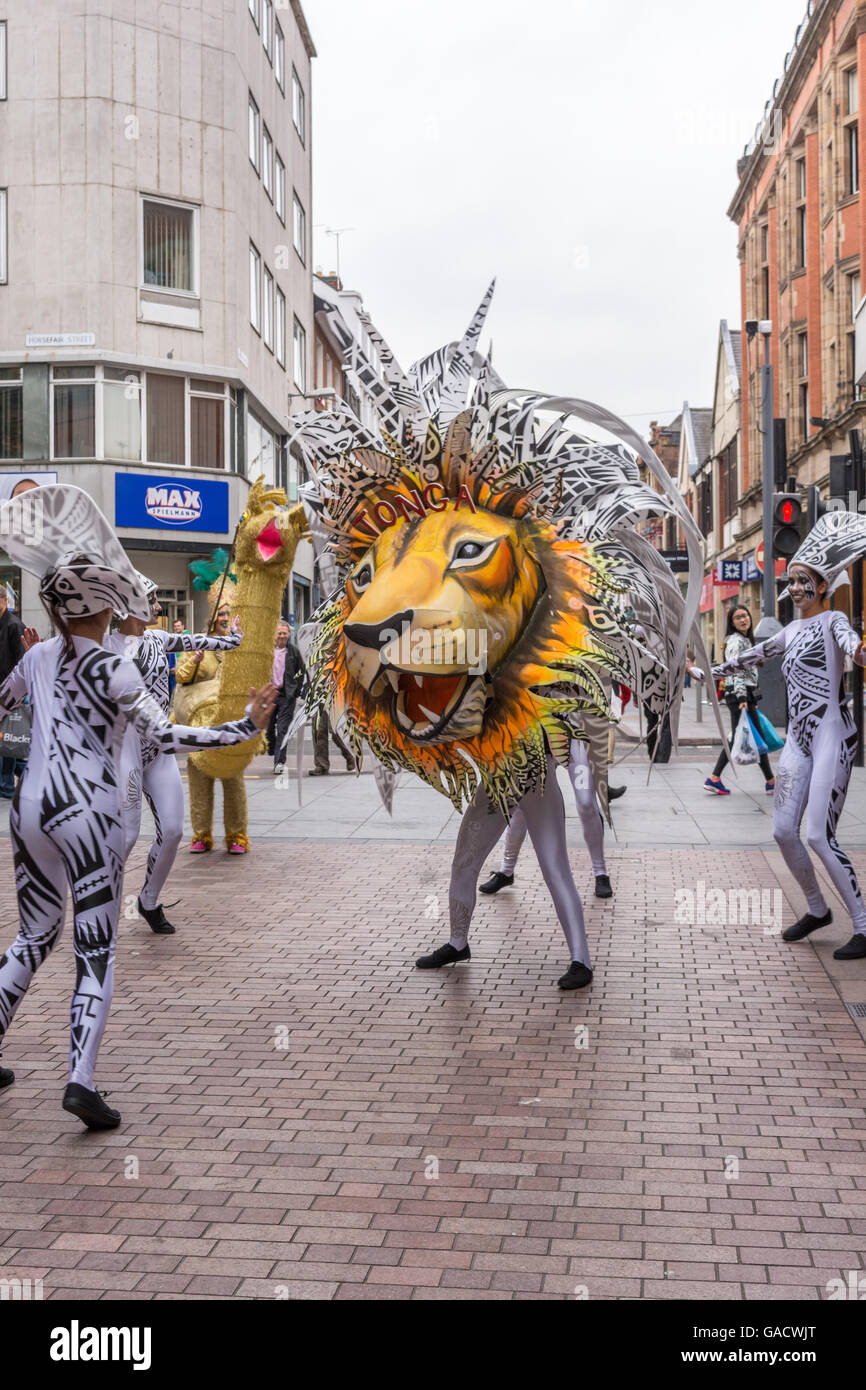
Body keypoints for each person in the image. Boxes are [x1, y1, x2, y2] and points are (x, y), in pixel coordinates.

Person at [0, 489, 276, 1128]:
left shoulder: (38, 656)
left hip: (30, 810)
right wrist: (242, 726)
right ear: (102, 608)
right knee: (95, 948)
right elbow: (169, 736)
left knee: (33, 935)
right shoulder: (114, 671)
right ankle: (80, 1081)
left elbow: (2, 707)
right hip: (89, 816)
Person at [708, 522, 866, 962]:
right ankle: (817, 909)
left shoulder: (834, 620)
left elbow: (854, 649)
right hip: (798, 739)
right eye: (792, 581)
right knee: (782, 831)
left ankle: (863, 924)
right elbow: (745, 660)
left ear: (822, 585)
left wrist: (860, 649)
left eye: (804, 581)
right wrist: (702, 671)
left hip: (833, 733)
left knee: (818, 834)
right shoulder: (789, 633)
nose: (795, 587)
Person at [107, 576, 243, 935]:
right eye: (150, 599)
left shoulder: (158, 638)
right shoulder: (105, 647)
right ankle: (98, 904)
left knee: (171, 830)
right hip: (126, 750)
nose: (157, 607)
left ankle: (148, 901)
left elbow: (196, 639)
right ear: (128, 605)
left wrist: (232, 641)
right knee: (127, 834)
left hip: (160, 747)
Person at [479, 739, 613, 899]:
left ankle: (601, 872)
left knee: (586, 804)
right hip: (536, 736)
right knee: (521, 804)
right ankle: (506, 870)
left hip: (570, 735)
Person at [704, 605, 775, 796]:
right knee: (755, 738)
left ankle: (715, 777)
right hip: (740, 695)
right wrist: (743, 697)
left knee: (740, 737)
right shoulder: (737, 641)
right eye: (738, 618)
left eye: (745, 615)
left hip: (742, 695)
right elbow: (737, 670)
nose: (743, 619)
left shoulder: (743, 640)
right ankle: (770, 781)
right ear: (732, 623)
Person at [0, 584, 25, 798]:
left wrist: (18, 695)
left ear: (4, 600)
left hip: (11, 693)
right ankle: (13, 781)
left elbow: (20, 661)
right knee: (7, 741)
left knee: (8, 741)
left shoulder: (14, 625)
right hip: (3, 692)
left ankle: (7, 787)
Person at [272, 629, 306, 775]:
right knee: (267, 731)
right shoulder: (268, 651)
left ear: (289, 635)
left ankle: (279, 761)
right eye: (279, 633)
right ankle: (273, 750)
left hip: (287, 696)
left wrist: (296, 691)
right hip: (270, 696)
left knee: (282, 729)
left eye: (284, 633)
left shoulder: (294, 652)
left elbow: (302, 671)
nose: (282, 636)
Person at [309, 709, 356, 776]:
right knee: (318, 730)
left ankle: (350, 755)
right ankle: (322, 765)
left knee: (336, 731)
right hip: (317, 700)